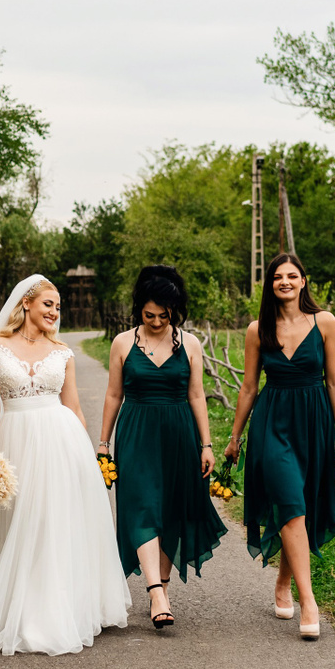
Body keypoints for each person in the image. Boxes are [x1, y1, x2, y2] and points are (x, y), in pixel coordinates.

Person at [0, 275, 130, 655]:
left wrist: (87, 458)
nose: (54, 312)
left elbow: (73, 407)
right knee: (19, 521)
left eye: (58, 307)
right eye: (48, 304)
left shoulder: (63, 353)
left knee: (49, 522)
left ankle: (49, 610)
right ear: (26, 303)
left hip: (61, 444)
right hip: (15, 442)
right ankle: (14, 605)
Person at [224, 253, 335, 640]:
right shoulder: (257, 329)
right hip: (272, 424)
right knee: (291, 503)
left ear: (303, 281)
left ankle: (283, 582)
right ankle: (309, 602)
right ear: (270, 284)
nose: (285, 282)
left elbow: (333, 381)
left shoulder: (325, 322)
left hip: (314, 423)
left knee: (302, 507)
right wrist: (234, 438)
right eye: (278, 277)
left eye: (292, 276)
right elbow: (249, 387)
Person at [97, 264, 225, 629]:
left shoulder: (191, 344)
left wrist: (206, 444)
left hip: (179, 433)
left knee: (170, 509)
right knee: (141, 506)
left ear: (175, 311)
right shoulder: (123, 343)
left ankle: (162, 587)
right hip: (136, 433)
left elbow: (197, 395)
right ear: (139, 309)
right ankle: (155, 592)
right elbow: (113, 394)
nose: (155, 322)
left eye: (163, 316)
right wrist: (103, 444)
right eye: (148, 315)